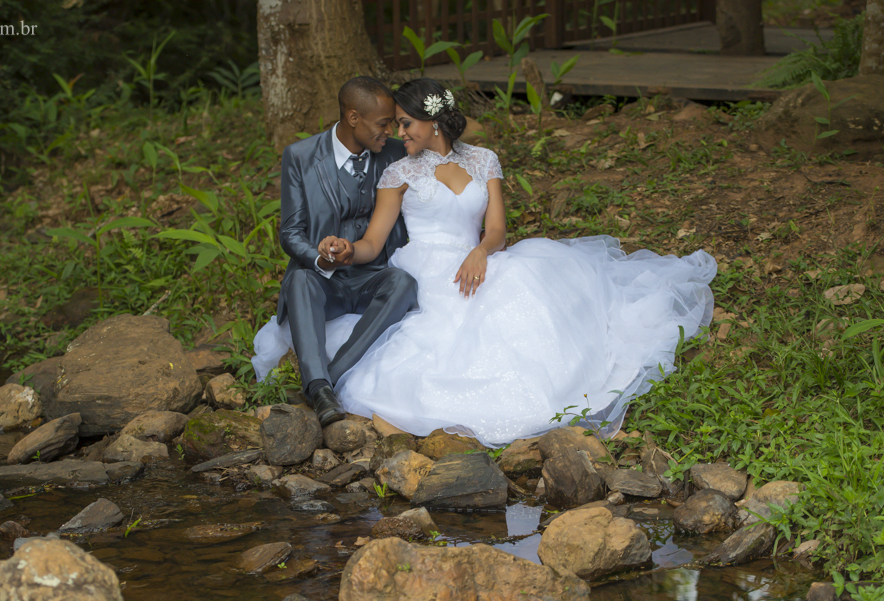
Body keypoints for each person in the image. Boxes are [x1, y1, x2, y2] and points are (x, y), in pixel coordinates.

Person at [259, 77, 717, 447]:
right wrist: (343, 249)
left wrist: (480, 250)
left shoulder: (484, 160)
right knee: (428, 324)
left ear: (432, 123)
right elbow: (374, 245)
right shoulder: (399, 171)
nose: (399, 135)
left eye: (405, 124)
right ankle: (327, 384)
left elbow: (496, 230)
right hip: (422, 263)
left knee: (524, 306)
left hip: (477, 258)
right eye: (394, 126)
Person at [257, 76, 418, 427]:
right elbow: (290, 232)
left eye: (392, 122)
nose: (389, 131)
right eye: (382, 123)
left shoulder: (394, 154)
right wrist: (318, 255)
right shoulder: (300, 157)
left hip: (373, 275)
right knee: (299, 280)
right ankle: (318, 385)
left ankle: (327, 380)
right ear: (353, 118)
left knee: (404, 282)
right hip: (323, 280)